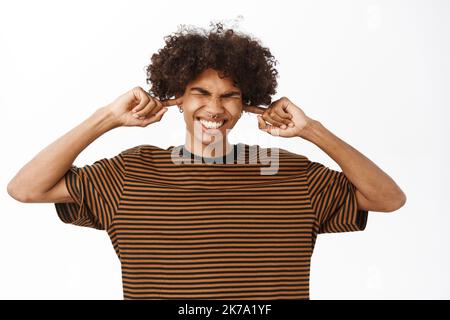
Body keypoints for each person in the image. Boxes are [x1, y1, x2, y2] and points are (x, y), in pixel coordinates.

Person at [7, 22, 406, 300]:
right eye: (200, 92)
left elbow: (388, 198)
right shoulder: (128, 175)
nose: (214, 108)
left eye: (229, 95)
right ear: (177, 97)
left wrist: (312, 130)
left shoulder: (289, 172)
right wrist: (107, 118)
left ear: (247, 102)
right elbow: (26, 189)